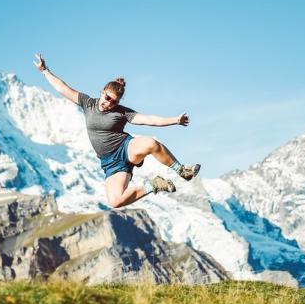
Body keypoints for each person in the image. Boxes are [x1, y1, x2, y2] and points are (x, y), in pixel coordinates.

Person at [34, 53, 201, 208]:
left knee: (151, 143)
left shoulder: (122, 112)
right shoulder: (88, 103)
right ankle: (154, 185)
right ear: (102, 91)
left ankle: (182, 171)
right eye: (107, 98)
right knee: (115, 202)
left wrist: (175, 120)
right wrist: (44, 71)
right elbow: (63, 88)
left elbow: (149, 120)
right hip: (111, 162)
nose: (109, 103)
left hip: (125, 148)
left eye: (114, 102)